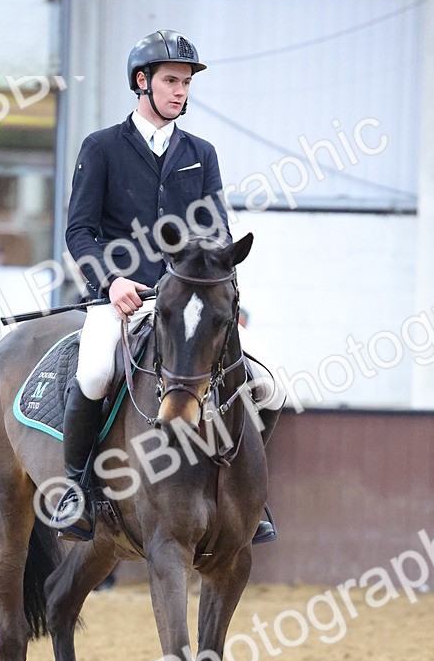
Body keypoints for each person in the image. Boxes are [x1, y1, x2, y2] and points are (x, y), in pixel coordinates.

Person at [50, 29, 285, 541]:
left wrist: (222, 290)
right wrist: (110, 282)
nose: (181, 91)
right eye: (171, 81)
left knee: (270, 384)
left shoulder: (201, 152)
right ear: (142, 82)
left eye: (186, 83)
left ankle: (253, 498)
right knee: (93, 373)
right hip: (123, 300)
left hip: (193, 301)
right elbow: (79, 231)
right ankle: (77, 491)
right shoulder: (103, 147)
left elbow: (218, 230)